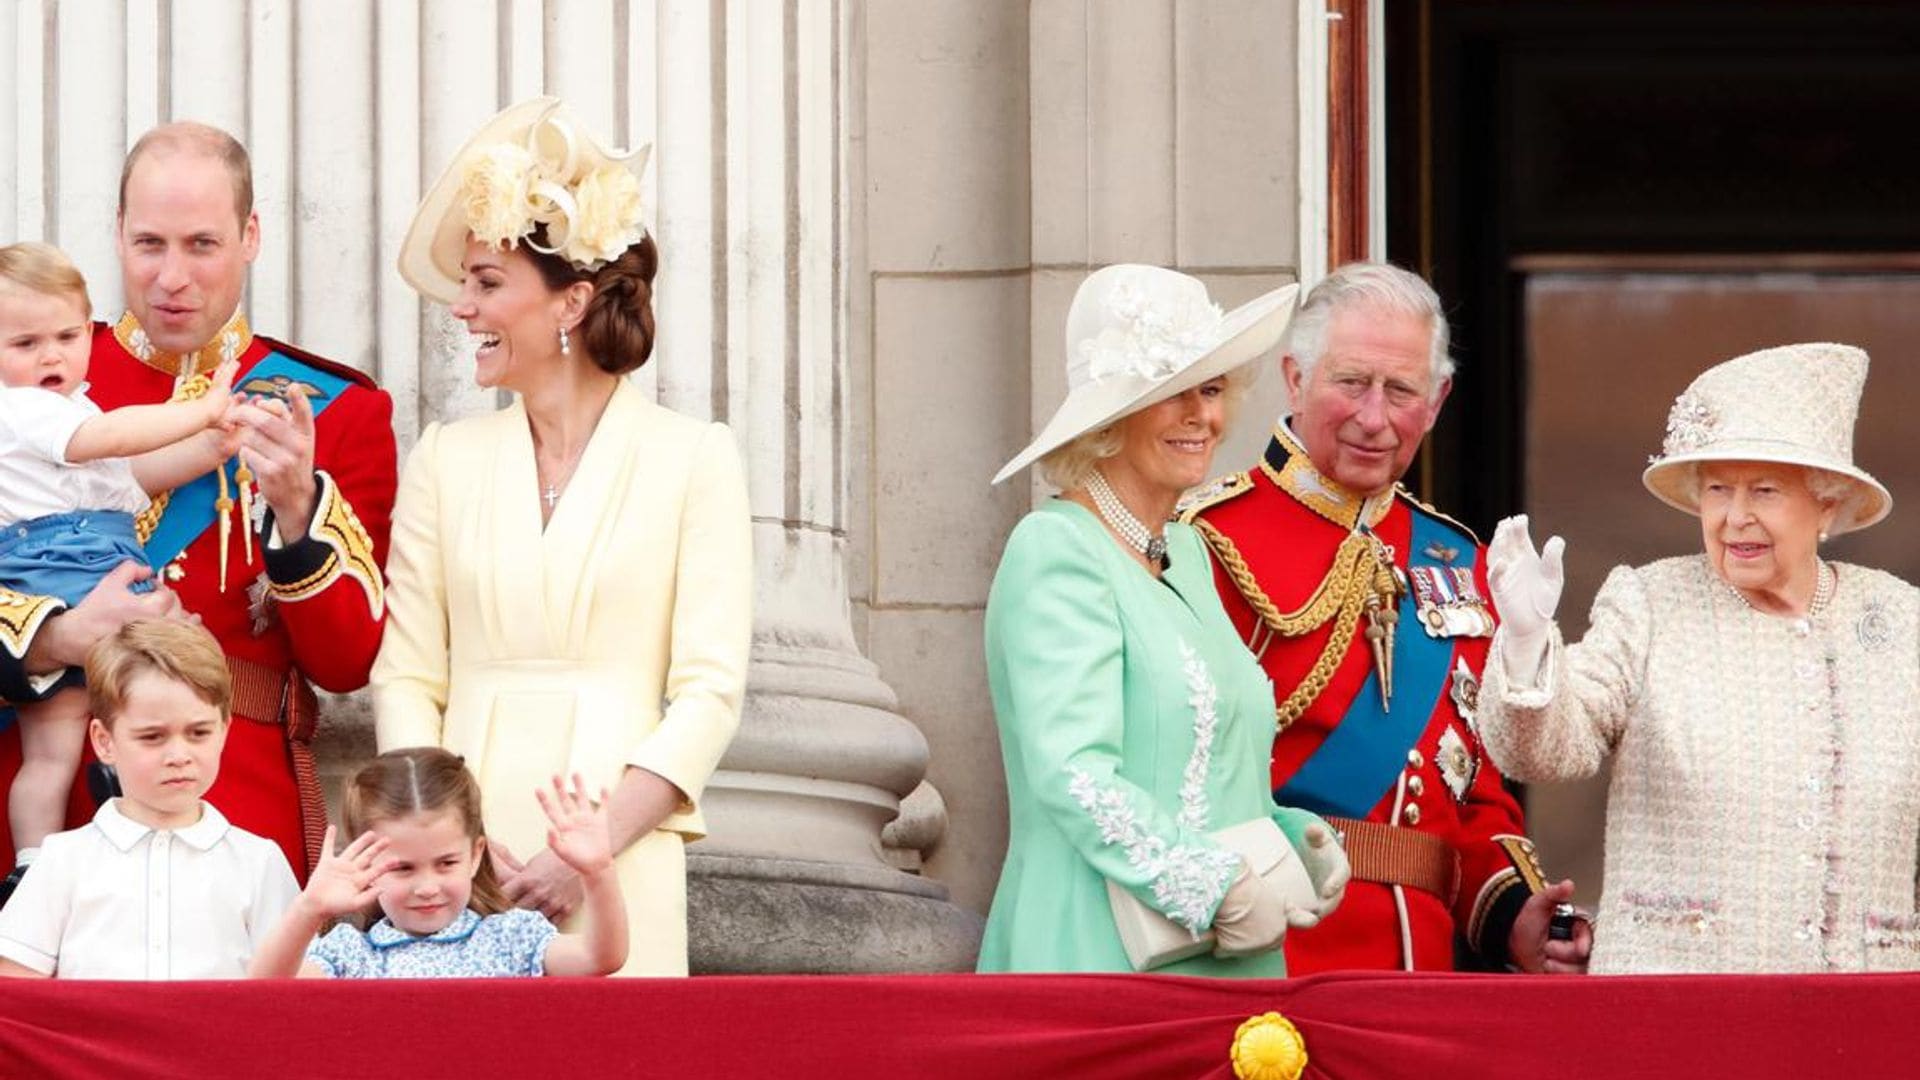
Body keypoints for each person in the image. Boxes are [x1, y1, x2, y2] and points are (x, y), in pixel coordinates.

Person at [374, 98, 751, 978]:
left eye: (486, 282)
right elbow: (407, 674)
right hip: (462, 866)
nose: (462, 308)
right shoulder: (443, 458)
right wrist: (438, 842)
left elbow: (708, 696)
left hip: (621, 851)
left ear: (572, 302)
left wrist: (590, 851)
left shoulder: (694, 458)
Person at [0, 123, 398, 883]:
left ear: (249, 237)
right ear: (116, 235)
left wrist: (296, 510)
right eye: (150, 244)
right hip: (46, 807)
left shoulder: (335, 409)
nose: (172, 278)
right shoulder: (28, 379)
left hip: (234, 810)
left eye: (201, 245)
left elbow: (348, 664)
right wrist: (56, 638)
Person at [1183, 262, 1590, 974]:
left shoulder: (1462, 562)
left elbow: (1477, 798)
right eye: (1350, 383)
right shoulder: (1204, 538)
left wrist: (1515, 919)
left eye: (1400, 390)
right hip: (1266, 952)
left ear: (1436, 402)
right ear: (1295, 378)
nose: (1374, 418)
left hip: (1423, 974)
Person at [1481, 342, 1920, 974]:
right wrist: (1525, 641)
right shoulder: (1652, 600)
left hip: (1866, 1008)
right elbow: (1548, 749)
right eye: (1718, 490)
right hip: (1682, 1000)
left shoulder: (1900, 620)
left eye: (1764, 491)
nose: (1734, 518)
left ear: (1826, 504)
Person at [977, 264, 1349, 975]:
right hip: (1098, 957)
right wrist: (1215, 887)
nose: (1201, 417)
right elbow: (1075, 776)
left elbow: (1210, 770)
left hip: (1229, 962)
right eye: (1171, 393)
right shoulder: (1055, 549)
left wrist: (1290, 836)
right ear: (1109, 416)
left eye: (1211, 390)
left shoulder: (1187, 551)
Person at [0, 243, 243, 902]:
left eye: (67, 336)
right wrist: (202, 411)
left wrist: (208, 449)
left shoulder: (70, 407)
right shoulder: (23, 411)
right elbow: (111, 443)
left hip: (93, 551)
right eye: (25, 342)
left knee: (67, 741)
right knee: (140, 689)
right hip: (59, 566)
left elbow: (129, 480)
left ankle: (38, 857)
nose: (51, 356)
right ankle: (38, 865)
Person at [0, 620, 298, 978]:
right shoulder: (64, 859)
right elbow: (16, 985)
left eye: (198, 732)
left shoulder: (259, 862)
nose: (178, 755)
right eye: (153, 737)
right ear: (104, 741)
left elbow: (290, 990)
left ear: (224, 730)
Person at [249, 748, 627, 978]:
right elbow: (265, 990)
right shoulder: (350, 954)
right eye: (403, 868)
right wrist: (309, 909)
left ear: (477, 854)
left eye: (446, 863)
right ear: (367, 862)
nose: (427, 887)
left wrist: (598, 872)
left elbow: (601, 957)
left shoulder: (511, 937)